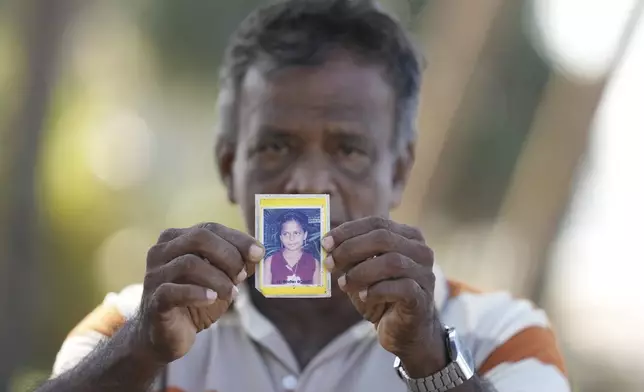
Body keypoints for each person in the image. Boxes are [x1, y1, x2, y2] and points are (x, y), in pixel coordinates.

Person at [39, 1, 570, 391]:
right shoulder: (138, 326)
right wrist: (142, 349)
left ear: (400, 169)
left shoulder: (501, 334)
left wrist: (433, 360)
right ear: (229, 166)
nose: (310, 182)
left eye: (349, 150)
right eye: (275, 146)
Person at [264, 210, 321, 286]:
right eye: (286, 234)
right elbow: (265, 293)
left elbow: (318, 293)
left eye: (296, 233)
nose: (291, 238)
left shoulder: (314, 263)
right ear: (281, 237)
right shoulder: (270, 262)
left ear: (305, 235)